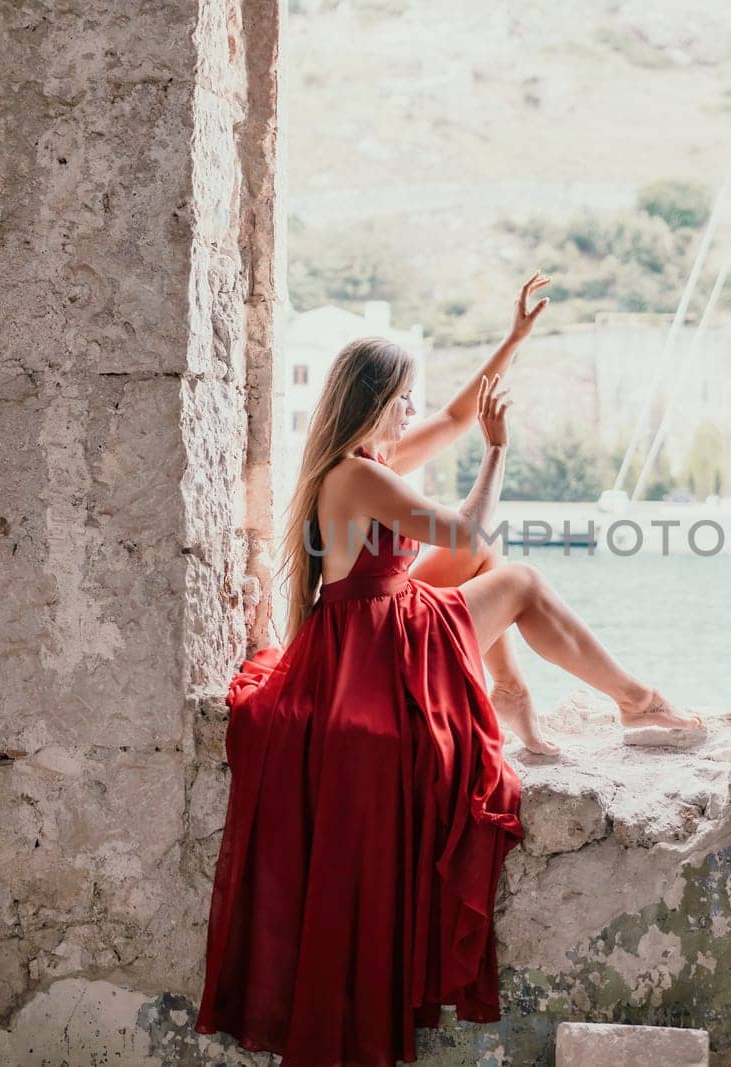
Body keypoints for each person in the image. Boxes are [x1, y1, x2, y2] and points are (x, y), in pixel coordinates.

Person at [195, 273, 700, 1064]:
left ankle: (514, 692)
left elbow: (461, 417)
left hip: (366, 625)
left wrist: (514, 340)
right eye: (399, 400)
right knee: (519, 575)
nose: (408, 413)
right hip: (379, 649)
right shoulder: (359, 475)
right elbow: (468, 513)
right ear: (370, 402)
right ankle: (634, 698)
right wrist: (498, 452)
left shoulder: (366, 456)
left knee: (481, 560)